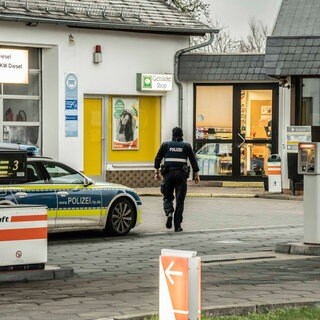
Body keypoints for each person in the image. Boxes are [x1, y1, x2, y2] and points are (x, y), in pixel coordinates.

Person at [154, 127, 200, 232]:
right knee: (180, 200)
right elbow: (193, 160)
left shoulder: (165, 145)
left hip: (168, 175)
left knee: (167, 197)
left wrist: (156, 172)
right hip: (181, 176)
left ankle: (169, 212)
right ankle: (177, 225)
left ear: (172, 135)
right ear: (182, 135)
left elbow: (157, 158)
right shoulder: (186, 146)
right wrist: (196, 174)